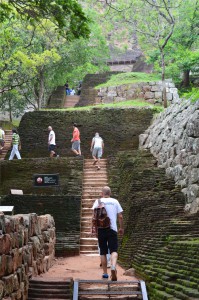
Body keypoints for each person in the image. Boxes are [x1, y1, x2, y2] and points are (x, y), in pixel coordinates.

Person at [92, 186, 124, 281]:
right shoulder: (115, 201)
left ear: (102, 193)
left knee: (103, 252)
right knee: (114, 250)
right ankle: (113, 267)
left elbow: (93, 217)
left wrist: (93, 229)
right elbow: (120, 216)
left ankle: (105, 274)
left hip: (101, 229)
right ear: (110, 193)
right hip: (112, 229)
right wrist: (121, 227)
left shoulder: (98, 201)